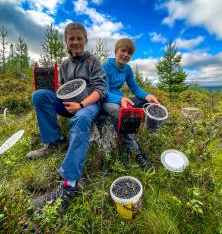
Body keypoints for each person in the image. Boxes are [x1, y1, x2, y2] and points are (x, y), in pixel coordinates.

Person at [26, 23, 106, 209]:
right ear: (66, 42)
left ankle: (70, 185)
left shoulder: (93, 61)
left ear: (85, 40)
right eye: (72, 39)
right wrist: (58, 96)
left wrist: (80, 105)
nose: (76, 42)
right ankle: (54, 141)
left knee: (82, 117)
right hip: (68, 103)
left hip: (89, 104)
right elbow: (62, 89)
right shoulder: (65, 64)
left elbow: (100, 90)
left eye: (79, 38)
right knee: (39, 96)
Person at [102, 38, 159, 170]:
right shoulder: (106, 66)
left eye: (129, 53)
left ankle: (151, 131)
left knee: (146, 101)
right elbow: (103, 91)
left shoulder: (127, 69)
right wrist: (119, 100)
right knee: (118, 111)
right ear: (116, 51)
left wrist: (148, 96)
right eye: (123, 50)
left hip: (121, 99)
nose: (126, 55)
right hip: (106, 101)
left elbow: (135, 88)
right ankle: (136, 152)